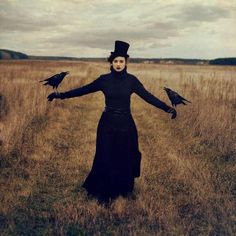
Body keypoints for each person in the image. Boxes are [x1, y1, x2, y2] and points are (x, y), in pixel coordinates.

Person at [47, 40, 177, 203]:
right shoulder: (104, 80)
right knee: (105, 155)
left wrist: (167, 108)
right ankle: (104, 192)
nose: (118, 64)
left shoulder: (132, 81)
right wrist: (60, 95)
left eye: (121, 61)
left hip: (126, 124)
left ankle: (123, 189)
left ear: (125, 62)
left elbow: (148, 96)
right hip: (107, 123)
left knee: (125, 155)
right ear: (111, 62)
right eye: (115, 61)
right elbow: (83, 90)